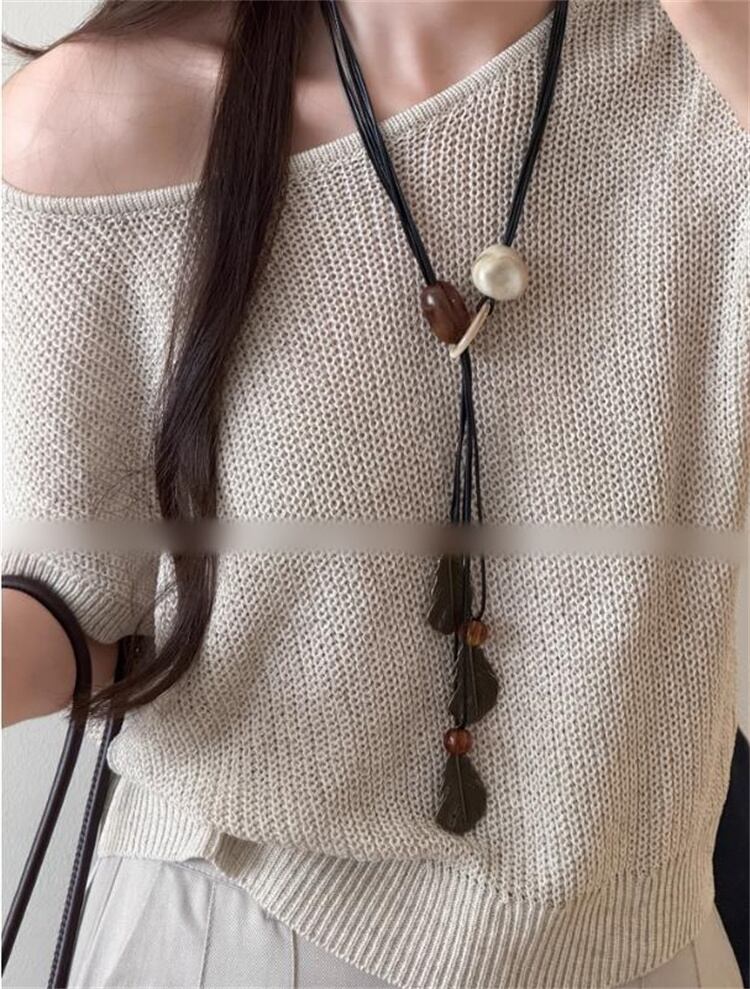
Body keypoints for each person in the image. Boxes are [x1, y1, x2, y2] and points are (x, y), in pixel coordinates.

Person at [2, 0, 748, 986]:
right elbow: (76, 597)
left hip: (643, 939)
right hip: (250, 926)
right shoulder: (116, 114)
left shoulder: (706, 75)